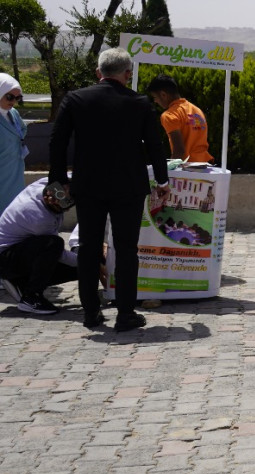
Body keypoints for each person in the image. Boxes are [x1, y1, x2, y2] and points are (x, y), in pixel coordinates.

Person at [48, 47, 170, 331]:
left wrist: (58, 180)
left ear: (98, 72)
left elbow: (57, 141)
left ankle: (91, 312)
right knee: (126, 249)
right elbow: (155, 145)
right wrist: (162, 181)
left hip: (88, 185)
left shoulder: (75, 99)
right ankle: (125, 313)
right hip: (128, 186)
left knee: (88, 248)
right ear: (127, 74)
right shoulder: (140, 103)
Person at [0, 178, 77, 314]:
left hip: (19, 251)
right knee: (54, 244)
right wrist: (88, 262)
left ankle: (20, 282)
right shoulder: (39, 218)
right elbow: (59, 255)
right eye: (60, 207)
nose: (67, 210)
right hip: (5, 260)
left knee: (79, 270)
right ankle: (31, 298)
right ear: (47, 196)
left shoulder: (45, 183)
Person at [147, 74, 213, 164]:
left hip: (186, 167)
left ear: (163, 94)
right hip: (204, 165)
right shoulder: (197, 110)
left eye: (155, 97)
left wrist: (169, 169)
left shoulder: (169, 115)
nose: (155, 101)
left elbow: (179, 150)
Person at [0, 73, 27, 213]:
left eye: (17, 98)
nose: (13, 101)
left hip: (14, 169)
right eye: (9, 97)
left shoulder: (13, 113)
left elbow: (22, 129)